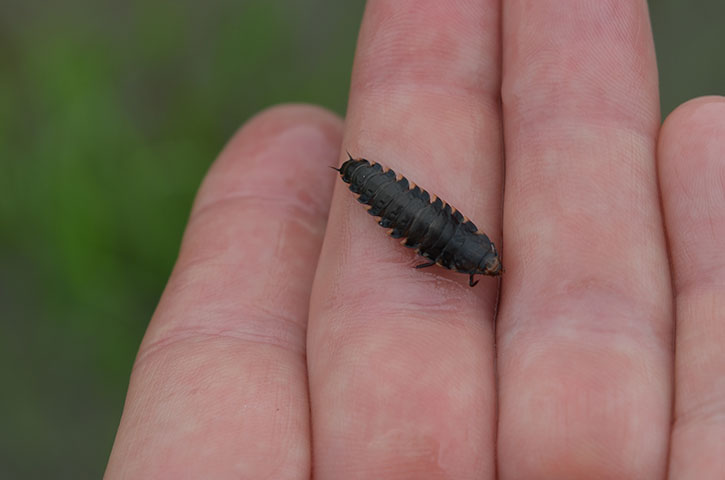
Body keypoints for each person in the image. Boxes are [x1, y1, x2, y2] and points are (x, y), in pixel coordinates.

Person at [105, 1, 725, 478]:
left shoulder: (457, 245)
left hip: (405, 205)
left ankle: (362, 176)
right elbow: (436, 237)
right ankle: (362, 176)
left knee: (405, 210)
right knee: (401, 208)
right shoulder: (455, 254)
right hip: (396, 199)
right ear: (471, 255)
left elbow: (439, 227)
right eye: (489, 262)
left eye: (488, 262)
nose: (493, 263)